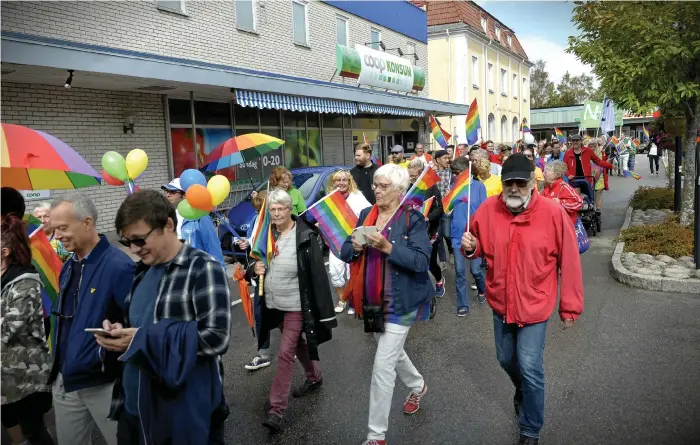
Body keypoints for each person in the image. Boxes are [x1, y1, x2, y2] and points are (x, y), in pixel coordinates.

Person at [460, 154, 584, 445]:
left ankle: (530, 427)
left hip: (535, 303)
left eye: (520, 182)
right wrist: (471, 248)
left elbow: (570, 261)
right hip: (501, 301)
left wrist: (569, 307)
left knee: (529, 364)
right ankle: (524, 389)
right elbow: (476, 245)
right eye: (508, 183)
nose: (514, 188)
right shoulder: (489, 209)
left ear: (533, 183)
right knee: (505, 359)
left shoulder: (553, 213)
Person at [96, 190, 231, 445]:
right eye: (127, 242)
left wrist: (141, 339)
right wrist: (118, 330)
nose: (134, 250)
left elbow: (217, 338)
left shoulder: (203, 268)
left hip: (181, 413)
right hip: (132, 407)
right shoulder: (140, 272)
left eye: (139, 240)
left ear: (167, 224)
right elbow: (139, 325)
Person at [340, 164, 433, 445]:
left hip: (401, 301)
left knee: (382, 366)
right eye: (376, 185)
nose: (376, 190)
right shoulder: (365, 214)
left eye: (383, 186)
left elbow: (420, 261)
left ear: (399, 190)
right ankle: (418, 386)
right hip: (371, 301)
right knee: (390, 352)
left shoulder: (412, 219)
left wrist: (387, 247)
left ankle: (375, 436)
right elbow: (345, 250)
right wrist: (355, 247)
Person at [48, 193, 135, 445]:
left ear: (87, 223)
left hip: (105, 381)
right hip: (66, 379)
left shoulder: (119, 266)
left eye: (63, 228)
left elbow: (138, 321)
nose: (58, 236)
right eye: (54, 230)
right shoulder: (68, 266)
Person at [247, 189, 336, 433]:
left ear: (290, 210)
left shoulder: (304, 236)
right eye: (272, 209)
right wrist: (254, 269)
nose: (276, 214)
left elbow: (318, 277)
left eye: (281, 209)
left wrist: (325, 312)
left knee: (285, 353)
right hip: (274, 305)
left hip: (297, 306)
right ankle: (314, 376)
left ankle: (276, 411)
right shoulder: (265, 234)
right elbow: (252, 262)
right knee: (297, 344)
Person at [1, 216, 54, 445]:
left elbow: (6, 329)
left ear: (4, 252)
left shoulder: (26, 282)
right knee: (11, 423)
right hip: (5, 378)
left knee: (34, 432)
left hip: (26, 377)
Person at [327, 170, 371, 315]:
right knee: (335, 272)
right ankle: (342, 299)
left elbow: (368, 217)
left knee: (351, 273)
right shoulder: (328, 199)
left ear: (349, 181)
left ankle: (353, 300)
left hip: (353, 241)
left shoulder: (357, 197)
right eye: (337, 180)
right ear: (333, 183)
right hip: (335, 241)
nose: (341, 183)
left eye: (344, 180)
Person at [449, 157, 488, 316]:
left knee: (476, 270)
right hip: (457, 235)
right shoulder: (454, 187)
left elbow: (485, 212)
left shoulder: (479, 187)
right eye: (454, 173)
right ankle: (462, 304)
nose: (455, 175)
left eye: (457, 172)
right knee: (459, 271)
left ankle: (482, 289)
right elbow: (449, 209)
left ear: (467, 171)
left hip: (474, 236)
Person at [240, 191, 273, 371]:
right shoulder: (256, 220)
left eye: (260, 207)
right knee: (260, 314)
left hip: (277, 277)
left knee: (285, 315)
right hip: (259, 276)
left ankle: (295, 346)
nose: (258, 210)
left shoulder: (276, 221)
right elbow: (254, 243)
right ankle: (263, 353)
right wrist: (246, 243)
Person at [161, 178, 225, 266]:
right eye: (167, 191)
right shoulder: (168, 217)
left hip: (196, 271)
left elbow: (213, 248)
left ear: (184, 195)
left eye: (173, 192)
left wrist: (220, 273)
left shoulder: (200, 217)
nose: (168, 195)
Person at [407, 159, 445, 304]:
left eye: (414, 176)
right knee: (415, 261)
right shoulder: (408, 188)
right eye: (409, 176)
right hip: (412, 231)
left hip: (430, 230)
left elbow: (440, 209)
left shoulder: (431, 187)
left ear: (421, 174)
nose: (411, 179)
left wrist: (428, 218)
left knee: (430, 262)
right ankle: (420, 291)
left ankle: (440, 280)